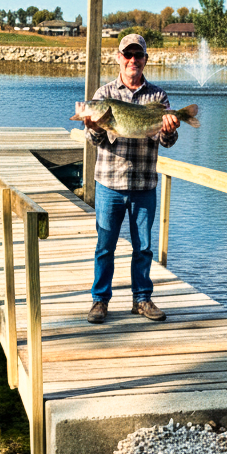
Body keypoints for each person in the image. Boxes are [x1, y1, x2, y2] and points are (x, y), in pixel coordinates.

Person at [81, 33, 180, 324]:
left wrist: (170, 130)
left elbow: (167, 142)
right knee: (105, 247)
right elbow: (94, 140)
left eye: (138, 55)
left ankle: (142, 299)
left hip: (143, 185)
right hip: (109, 185)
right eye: (128, 54)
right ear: (119, 58)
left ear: (146, 60)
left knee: (144, 248)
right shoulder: (104, 94)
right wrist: (94, 126)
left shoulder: (158, 97)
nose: (132, 60)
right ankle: (100, 300)